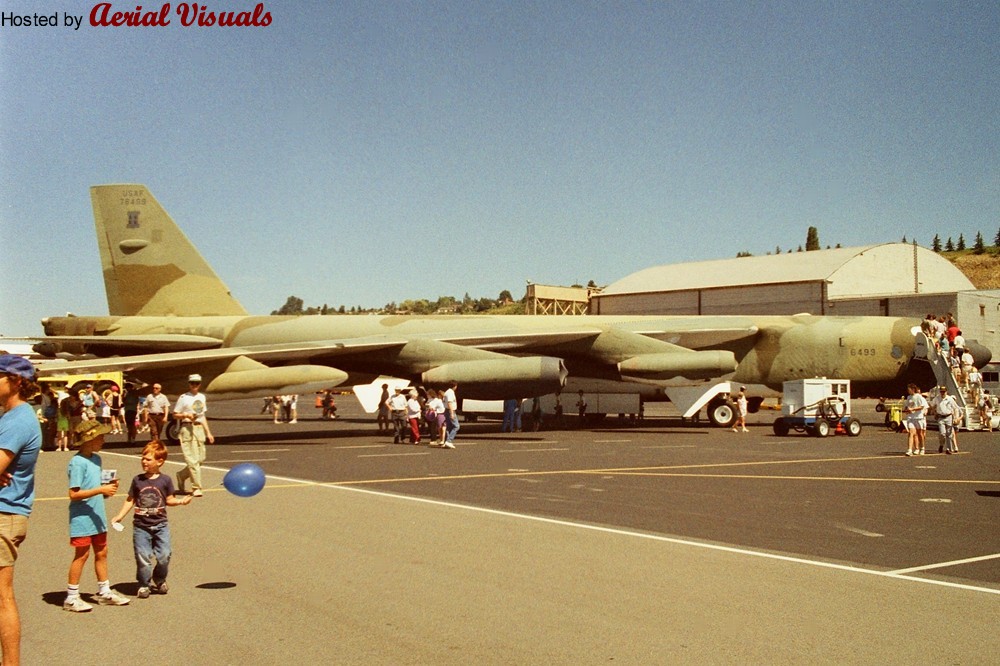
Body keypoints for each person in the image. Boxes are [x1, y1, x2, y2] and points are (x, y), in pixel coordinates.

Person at [0, 355, 42, 665]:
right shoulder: (11, 417)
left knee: (2, 597)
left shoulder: (18, 421)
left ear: (15, 381)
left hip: (3, 515)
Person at [64, 419, 131, 612]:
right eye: (100, 437)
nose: (103, 440)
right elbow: (74, 494)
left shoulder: (97, 460)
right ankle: (72, 596)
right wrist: (100, 489)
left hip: (97, 515)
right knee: (82, 555)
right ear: (88, 440)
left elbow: (97, 489)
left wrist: (108, 489)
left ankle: (104, 591)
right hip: (82, 518)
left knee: (102, 553)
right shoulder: (77, 462)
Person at [111, 441, 192, 599]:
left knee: (165, 555)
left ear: (159, 461)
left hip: (161, 525)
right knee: (143, 556)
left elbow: (169, 499)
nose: (144, 461)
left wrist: (181, 501)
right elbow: (130, 500)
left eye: (148, 459)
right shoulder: (137, 480)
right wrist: (119, 516)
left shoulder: (165, 480)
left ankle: (159, 578)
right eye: (143, 458)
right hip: (141, 527)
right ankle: (143, 584)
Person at [173, 374, 214, 497]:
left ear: (200, 384)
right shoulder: (184, 398)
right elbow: (175, 414)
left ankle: (181, 475)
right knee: (193, 460)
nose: (194, 385)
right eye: (192, 383)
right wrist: (185, 415)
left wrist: (208, 432)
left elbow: (202, 416)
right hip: (187, 428)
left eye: (197, 383)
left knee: (200, 459)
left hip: (199, 428)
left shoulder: (202, 397)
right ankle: (196, 487)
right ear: (189, 384)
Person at [930, 386, 961, 454]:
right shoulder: (937, 398)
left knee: (949, 433)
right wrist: (934, 412)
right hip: (940, 417)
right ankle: (941, 444)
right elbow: (932, 405)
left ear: (946, 392)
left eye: (944, 391)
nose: (942, 393)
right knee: (942, 433)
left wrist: (955, 418)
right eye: (941, 391)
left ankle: (948, 449)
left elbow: (955, 408)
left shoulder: (950, 399)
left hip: (948, 416)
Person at [902, 383, 928, 456]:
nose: (908, 391)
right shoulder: (909, 397)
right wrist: (907, 410)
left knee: (920, 434)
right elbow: (907, 406)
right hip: (911, 418)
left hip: (919, 417)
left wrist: (913, 409)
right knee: (911, 433)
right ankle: (910, 450)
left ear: (913, 389)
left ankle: (922, 448)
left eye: (909, 389)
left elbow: (922, 406)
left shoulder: (919, 397)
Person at [442, 381, 459, 449]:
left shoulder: (447, 392)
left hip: (447, 410)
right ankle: (449, 441)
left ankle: (447, 441)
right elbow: (449, 403)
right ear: (455, 386)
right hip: (450, 410)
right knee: (456, 426)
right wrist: (452, 413)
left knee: (449, 427)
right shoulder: (450, 393)